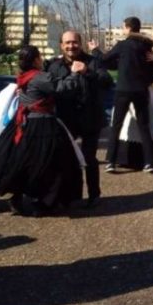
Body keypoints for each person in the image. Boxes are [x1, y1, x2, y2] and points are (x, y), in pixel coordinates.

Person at [0, 45, 84, 216]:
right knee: (51, 164)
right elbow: (62, 89)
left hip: (23, 124)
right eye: (39, 57)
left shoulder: (23, 76)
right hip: (42, 124)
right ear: (35, 60)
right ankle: (43, 202)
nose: (41, 60)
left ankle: (18, 197)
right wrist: (75, 72)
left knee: (20, 162)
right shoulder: (39, 77)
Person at [45, 31, 113, 207]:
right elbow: (45, 86)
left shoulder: (92, 62)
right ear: (61, 45)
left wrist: (87, 71)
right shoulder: (54, 66)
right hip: (65, 119)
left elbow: (107, 81)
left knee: (89, 158)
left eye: (74, 42)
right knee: (65, 159)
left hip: (90, 118)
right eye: (67, 43)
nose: (71, 46)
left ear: (80, 43)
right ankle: (69, 196)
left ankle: (94, 195)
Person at [89, 16, 153, 174]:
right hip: (141, 90)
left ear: (128, 28)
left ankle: (111, 161)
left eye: (123, 27)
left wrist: (94, 49)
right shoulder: (146, 46)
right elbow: (152, 66)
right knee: (144, 128)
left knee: (116, 126)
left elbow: (105, 58)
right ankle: (149, 162)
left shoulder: (123, 45)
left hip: (123, 90)